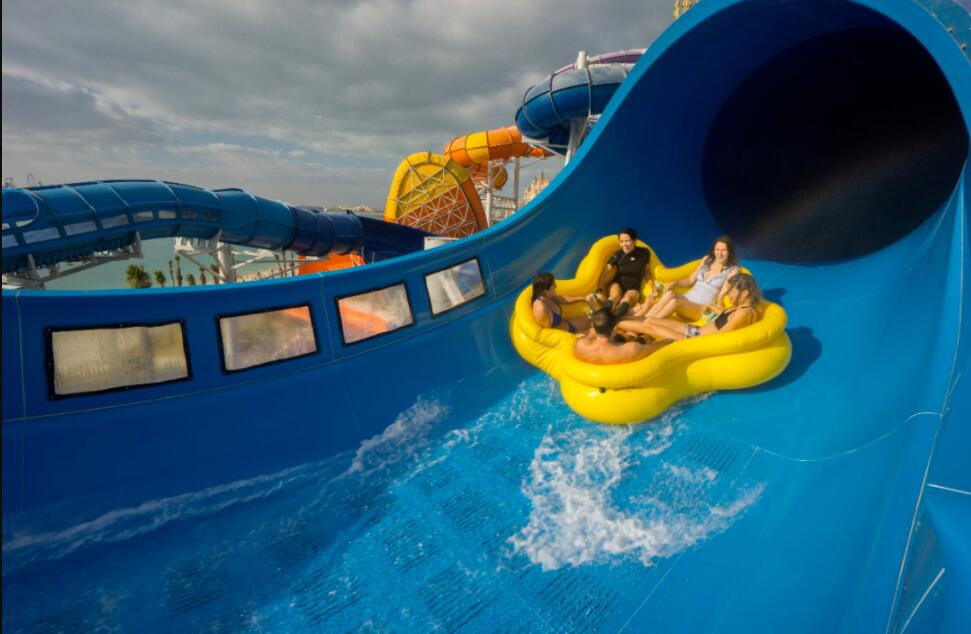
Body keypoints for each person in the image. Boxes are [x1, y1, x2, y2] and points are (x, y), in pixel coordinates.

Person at [618, 273, 762, 341]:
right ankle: (618, 320)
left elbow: (722, 337)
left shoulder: (745, 313)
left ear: (745, 292)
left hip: (695, 339)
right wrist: (710, 307)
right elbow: (724, 316)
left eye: (731, 291)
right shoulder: (739, 309)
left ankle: (614, 322)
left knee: (649, 326)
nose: (728, 294)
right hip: (694, 331)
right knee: (649, 320)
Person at [636, 235, 739, 321]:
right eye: (717, 250)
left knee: (675, 302)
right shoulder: (707, 260)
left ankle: (647, 324)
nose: (720, 253)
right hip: (688, 299)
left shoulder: (732, 270)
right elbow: (690, 280)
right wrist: (675, 283)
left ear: (729, 252)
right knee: (670, 294)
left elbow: (723, 293)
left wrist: (719, 304)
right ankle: (643, 319)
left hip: (700, 307)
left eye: (723, 250)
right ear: (713, 250)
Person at [591, 227, 655, 318]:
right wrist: (600, 290)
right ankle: (602, 317)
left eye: (627, 241)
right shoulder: (618, 255)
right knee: (615, 296)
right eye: (621, 241)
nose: (624, 244)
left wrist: (653, 289)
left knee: (627, 299)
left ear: (634, 241)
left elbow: (647, 271)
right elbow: (606, 271)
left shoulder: (644, 253)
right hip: (617, 284)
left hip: (633, 288)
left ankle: (612, 318)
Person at [574, 308, 672, 364]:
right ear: (615, 328)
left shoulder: (580, 345)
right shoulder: (632, 348)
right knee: (646, 337)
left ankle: (628, 335)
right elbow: (653, 347)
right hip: (623, 358)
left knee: (621, 337)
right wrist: (666, 341)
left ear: (592, 326)